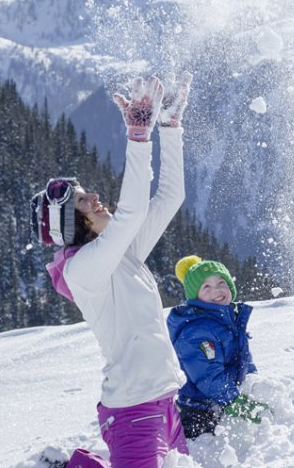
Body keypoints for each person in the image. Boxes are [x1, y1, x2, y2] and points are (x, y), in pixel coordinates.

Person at [30, 73, 193, 468]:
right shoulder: (84, 271)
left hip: (167, 404)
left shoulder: (122, 253)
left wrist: (169, 126)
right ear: (74, 225)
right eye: (86, 202)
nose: (97, 198)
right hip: (135, 413)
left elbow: (171, 196)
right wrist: (138, 136)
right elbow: (134, 209)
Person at [166, 255, 267, 439]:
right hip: (199, 410)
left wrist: (253, 381)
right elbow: (208, 376)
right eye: (207, 287)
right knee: (209, 452)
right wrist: (235, 401)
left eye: (221, 283)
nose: (217, 290)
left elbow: (243, 358)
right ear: (196, 297)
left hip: (225, 400)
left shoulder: (229, 322)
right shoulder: (197, 331)